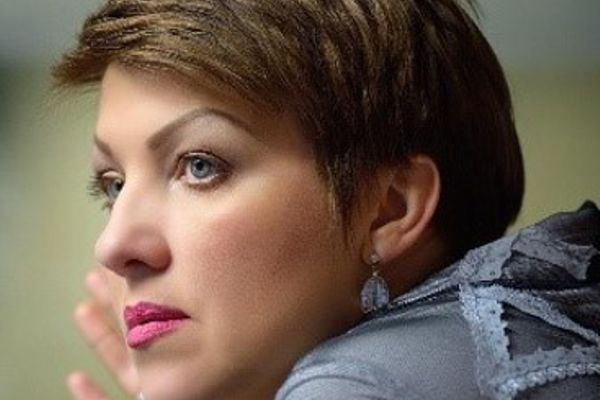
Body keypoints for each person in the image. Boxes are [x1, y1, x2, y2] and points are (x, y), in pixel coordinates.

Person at [52, 1, 600, 399]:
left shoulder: (360, 386)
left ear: (389, 209)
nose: (114, 245)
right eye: (113, 184)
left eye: (201, 166)